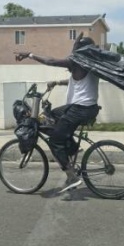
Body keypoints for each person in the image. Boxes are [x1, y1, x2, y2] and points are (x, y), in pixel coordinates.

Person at [15, 34, 100, 193]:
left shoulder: (78, 62)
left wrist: (30, 55)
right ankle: (72, 148)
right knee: (52, 115)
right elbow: (77, 80)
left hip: (79, 109)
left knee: (54, 141)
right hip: (87, 107)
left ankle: (71, 177)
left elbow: (51, 61)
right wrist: (58, 82)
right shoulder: (91, 64)